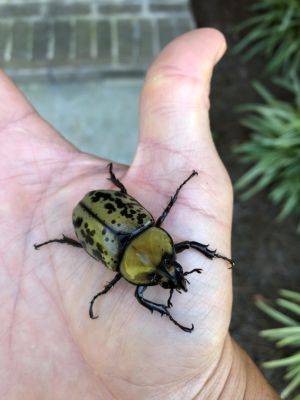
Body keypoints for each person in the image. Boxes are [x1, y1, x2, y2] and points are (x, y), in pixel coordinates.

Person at [0, 29, 279, 399]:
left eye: (163, 276)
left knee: (105, 240)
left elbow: (182, 245)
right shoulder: (140, 255)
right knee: (100, 240)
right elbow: (180, 251)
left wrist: (210, 385)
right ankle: (66, 236)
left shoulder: (148, 242)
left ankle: (66, 235)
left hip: (100, 218)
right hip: (98, 216)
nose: (172, 273)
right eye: (172, 270)